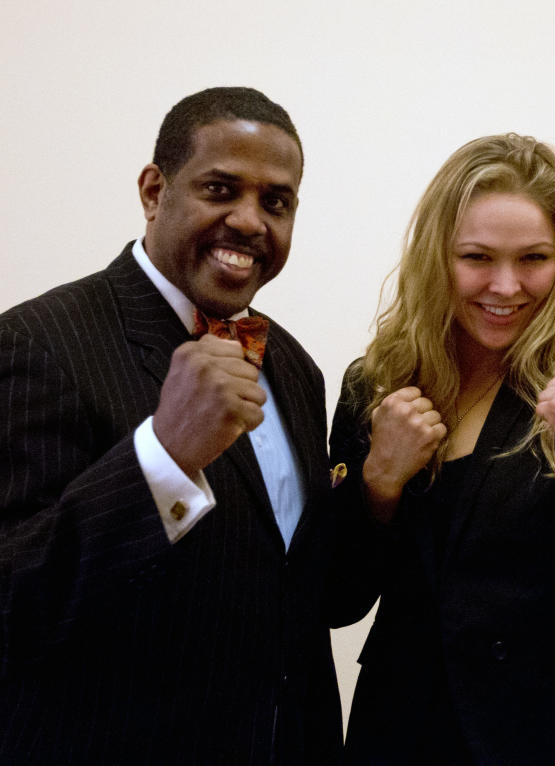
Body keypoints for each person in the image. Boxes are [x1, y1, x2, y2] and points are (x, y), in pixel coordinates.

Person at [0, 87, 378, 765]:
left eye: (277, 202)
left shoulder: (292, 366)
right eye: (220, 188)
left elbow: (298, 592)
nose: (250, 221)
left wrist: (377, 493)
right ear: (154, 191)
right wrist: (164, 458)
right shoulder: (36, 342)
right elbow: (13, 607)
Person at [330, 133, 555, 765]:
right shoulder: (376, 383)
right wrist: (377, 484)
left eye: (533, 258)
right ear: (436, 256)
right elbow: (335, 598)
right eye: (476, 257)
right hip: (404, 732)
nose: (506, 285)